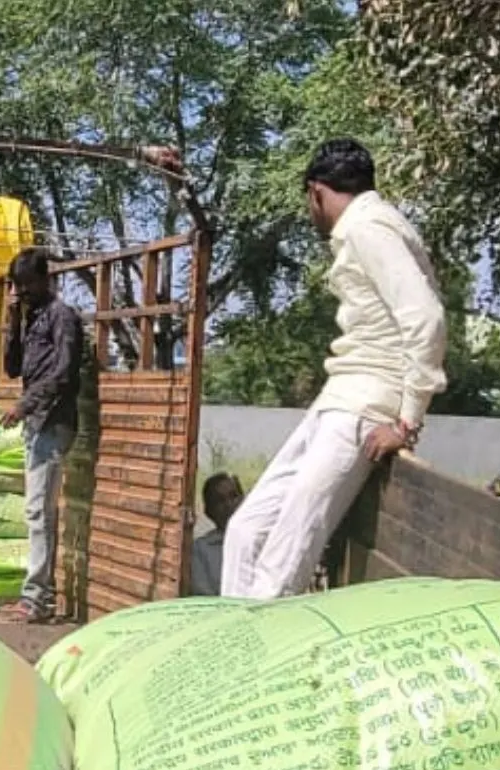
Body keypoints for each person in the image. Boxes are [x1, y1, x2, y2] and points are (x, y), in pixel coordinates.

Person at [222, 139, 448, 599]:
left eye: (309, 203)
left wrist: (406, 421)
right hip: (339, 398)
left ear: (316, 193)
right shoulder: (369, 228)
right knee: (245, 530)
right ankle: (231, 644)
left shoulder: (370, 228)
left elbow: (426, 317)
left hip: (365, 407)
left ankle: (257, 660)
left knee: (284, 555)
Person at [0, 249, 84, 625]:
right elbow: (13, 366)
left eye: (27, 285)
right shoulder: (32, 318)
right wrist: (12, 318)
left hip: (54, 421)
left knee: (40, 512)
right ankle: (36, 596)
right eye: (17, 287)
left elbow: (64, 373)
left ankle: (38, 600)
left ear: (44, 279)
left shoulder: (62, 317)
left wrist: (25, 405)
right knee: (35, 511)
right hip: (38, 422)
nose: (23, 292)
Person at [190, 473, 245, 596]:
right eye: (220, 501)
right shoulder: (201, 550)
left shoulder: (258, 539)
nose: (229, 505)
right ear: (209, 511)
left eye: (234, 496)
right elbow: (204, 597)